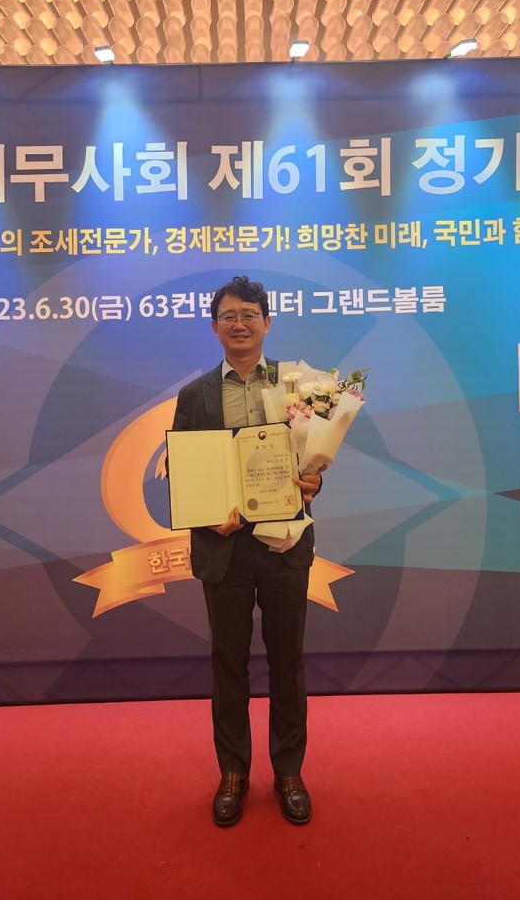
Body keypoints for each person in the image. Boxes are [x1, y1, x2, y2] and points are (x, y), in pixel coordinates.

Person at [171, 275, 324, 827]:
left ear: (267, 322)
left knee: (288, 662)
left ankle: (289, 772)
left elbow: (312, 459)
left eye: (249, 315)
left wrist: (313, 482)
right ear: (214, 327)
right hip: (225, 548)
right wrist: (204, 512)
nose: (240, 324)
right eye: (229, 316)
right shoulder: (194, 396)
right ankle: (232, 773)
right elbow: (183, 471)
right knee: (228, 664)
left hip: (285, 544)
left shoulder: (298, 387)